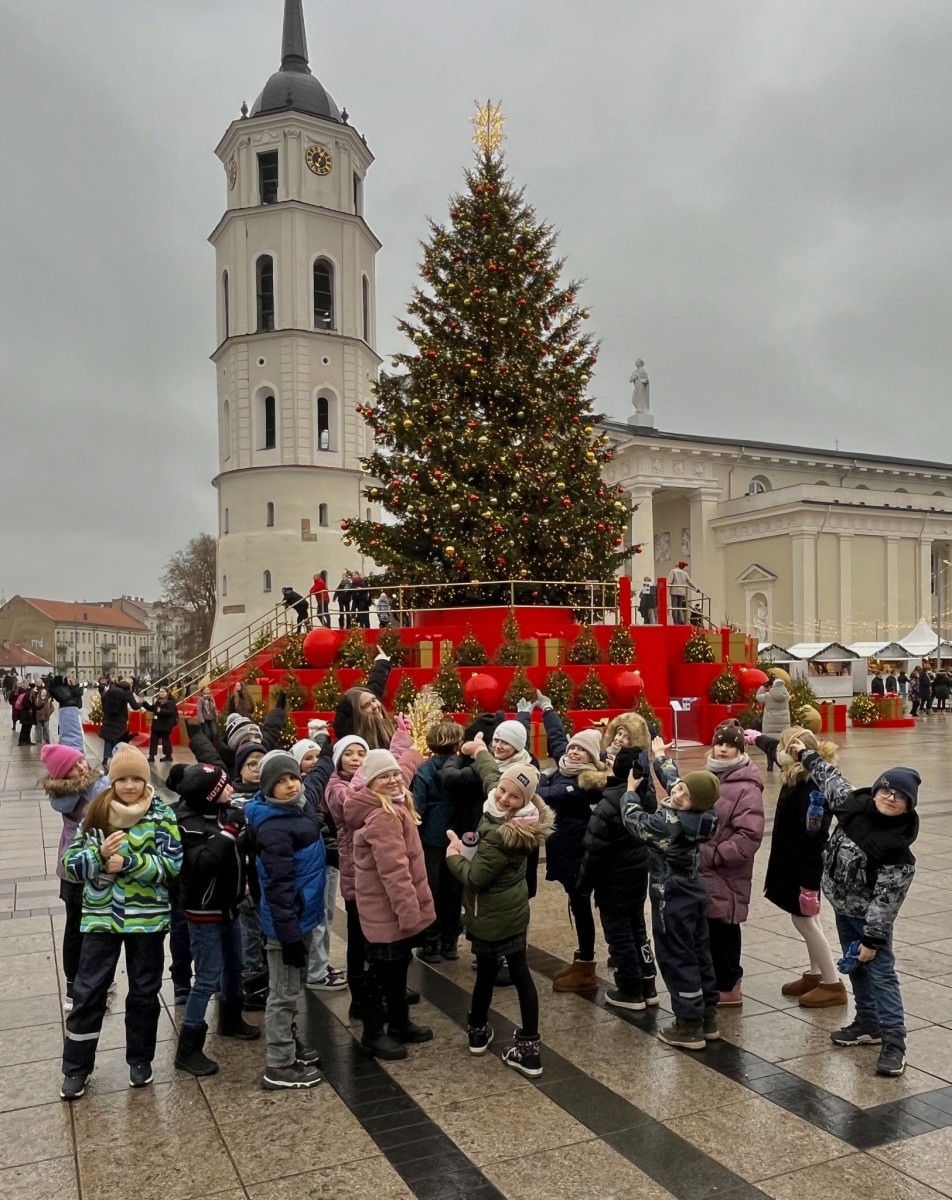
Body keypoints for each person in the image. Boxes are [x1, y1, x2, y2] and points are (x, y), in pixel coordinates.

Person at [787, 738, 920, 1077]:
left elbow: (886, 902)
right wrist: (804, 753)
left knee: (881, 974)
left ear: (908, 806)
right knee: (857, 970)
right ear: (876, 790)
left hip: (869, 920)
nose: (890, 798)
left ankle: (894, 1041)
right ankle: (867, 1023)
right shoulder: (852, 805)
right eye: (886, 790)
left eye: (900, 797)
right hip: (842, 907)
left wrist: (872, 940)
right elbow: (828, 775)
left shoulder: (897, 850)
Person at [59, 744, 182, 1100]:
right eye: (122, 779)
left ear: (145, 781)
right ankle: (76, 1068)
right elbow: (70, 864)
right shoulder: (96, 812)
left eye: (136, 779)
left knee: (144, 991)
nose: (129, 785)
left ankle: (140, 1060)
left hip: (147, 920)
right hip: (102, 920)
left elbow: (172, 865)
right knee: (88, 992)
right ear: (112, 781)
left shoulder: (161, 815)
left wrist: (128, 864)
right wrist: (99, 857)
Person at [447, 762, 554, 1075]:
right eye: (503, 791)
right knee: (516, 973)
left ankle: (486, 1034)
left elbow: (476, 878)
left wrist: (454, 856)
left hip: (491, 914)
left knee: (491, 973)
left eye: (514, 796)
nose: (504, 797)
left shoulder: (502, 835)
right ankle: (520, 1044)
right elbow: (492, 777)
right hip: (512, 912)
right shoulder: (516, 816)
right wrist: (479, 751)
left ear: (525, 801)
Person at [622, 740, 721, 1050]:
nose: (677, 794)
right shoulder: (703, 815)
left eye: (685, 795)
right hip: (693, 888)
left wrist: (629, 792)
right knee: (699, 951)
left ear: (696, 803)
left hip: (671, 894)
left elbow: (634, 821)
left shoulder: (669, 824)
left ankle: (688, 1025)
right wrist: (661, 757)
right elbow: (677, 782)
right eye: (680, 789)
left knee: (676, 955)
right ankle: (707, 1016)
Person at [746, 726, 846, 1008]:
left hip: (803, 866)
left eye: (785, 748)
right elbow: (773, 747)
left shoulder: (813, 787)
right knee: (808, 920)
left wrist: (809, 886)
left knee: (804, 921)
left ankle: (832, 984)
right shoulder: (797, 769)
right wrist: (754, 738)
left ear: (797, 752)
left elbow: (814, 840)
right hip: (790, 861)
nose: (779, 753)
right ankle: (815, 975)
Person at [343, 748, 433, 1060]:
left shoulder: (394, 805)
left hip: (392, 908)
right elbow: (394, 871)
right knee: (381, 974)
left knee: (397, 968)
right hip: (389, 911)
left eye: (395, 773)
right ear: (370, 783)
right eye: (384, 776)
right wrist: (409, 912)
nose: (394, 779)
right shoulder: (383, 816)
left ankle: (398, 1022)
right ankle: (373, 1033)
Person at [245, 751, 326, 1090]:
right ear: (267, 788)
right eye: (280, 781)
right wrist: (289, 936)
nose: (290, 784)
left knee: (292, 988)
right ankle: (279, 1063)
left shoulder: (297, 808)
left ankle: (289, 1043)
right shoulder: (275, 827)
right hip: (285, 924)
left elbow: (319, 775)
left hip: (300, 916)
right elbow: (278, 888)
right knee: (282, 993)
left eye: (292, 777)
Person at [174, 764, 260, 1076]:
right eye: (224, 787)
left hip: (229, 906)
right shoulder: (187, 824)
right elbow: (204, 864)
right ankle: (189, 1047)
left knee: (235, 966)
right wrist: (230, 832)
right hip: (203, 911)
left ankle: (231, 1019)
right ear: (209, 795)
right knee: (208, 977)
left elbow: (238, 851)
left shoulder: (223, 813)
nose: (231, 789)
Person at [526, 695, 608, 994]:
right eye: (574, 747)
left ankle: (586, 966)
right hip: (563, 852)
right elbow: (558, 737)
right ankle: (581, 960)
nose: (573, 752)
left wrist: (537, 780)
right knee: (576, 904)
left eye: (581, 751)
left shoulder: (583, 783)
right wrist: (547, 709)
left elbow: (548, 794)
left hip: (577, 855)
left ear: (591, 759)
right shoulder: (565, 765)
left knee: (581, 905)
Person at [41, 679, 111, 1011]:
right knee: (81, 929)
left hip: (74, 866)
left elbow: (71, 748)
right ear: (65, 774)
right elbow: (106, 798)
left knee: (82, 926)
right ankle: (77, 987)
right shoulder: (80, 790)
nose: (83, 765)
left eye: (82, 762)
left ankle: (85, 981)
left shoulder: (72, 780)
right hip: (81, 867)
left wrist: (68, 707)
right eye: (76, 766)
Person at [578, 744, 658, 1010]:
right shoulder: (646, 798)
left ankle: (630, 989)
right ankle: (648, 983)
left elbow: (594, 852)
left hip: (613, 884)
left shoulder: (607, 806)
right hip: (637, 878)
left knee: (620, 935)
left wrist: (583, 886)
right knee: (638, 930)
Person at [699, 723, 765, 1006]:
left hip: (727, 871)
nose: (723, 749)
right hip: (705, 869)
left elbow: (749, 834)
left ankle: (728, 985)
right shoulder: (709, 777)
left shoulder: (746, 787)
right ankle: (713, 980)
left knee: (725, 925)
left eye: (730, 745)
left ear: (740, 750)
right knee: (709, 926)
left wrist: (715, 854)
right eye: (720, 744)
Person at [291, 738, 347, 994]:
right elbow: (318, 824)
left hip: (328, 858)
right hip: (317, 862)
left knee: (328, 914)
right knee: (318, 917)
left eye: (317, 757)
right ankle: (316, 971)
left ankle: (321, 963)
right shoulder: (302, 792)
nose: (313, 762)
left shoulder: (328, 784)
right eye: (307, 758)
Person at [411, 720, 465, 963]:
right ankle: (450, 942)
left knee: (431, 890)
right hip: (459, 836)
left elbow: (417, 808)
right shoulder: (464, 768)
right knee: (455, 889)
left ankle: (431, 944)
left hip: (431, 838)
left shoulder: (424, 771)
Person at [333, 648, 394, 748]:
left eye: (374, 700)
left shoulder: (367, 698)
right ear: (356, 715)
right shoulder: (351, 744)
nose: (374, 706)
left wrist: (382, 662)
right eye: (366, 705)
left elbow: (376, 684)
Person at [100, 678, 142, 768]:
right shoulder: (127, 693)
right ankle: (118, 758)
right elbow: (135, 706)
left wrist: (105, 709)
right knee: (119, 739)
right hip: (120, 720)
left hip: (108, 718)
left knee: (108, 739)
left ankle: (105, 759)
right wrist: (141, 703)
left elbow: (102, 698)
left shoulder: (110, 691)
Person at [754, 678, 791, 772]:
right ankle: (781, 764)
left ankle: (770, 766)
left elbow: (757, 697)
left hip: (769, 726)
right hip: (783, 726)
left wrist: (764, 686)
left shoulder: (767, 696)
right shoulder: (786, 696)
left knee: (769, 745)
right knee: (782, 747)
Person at [142, 686, 179, 763]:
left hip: (166, 724)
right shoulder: (158, 701)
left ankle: (168, 756)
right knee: (153, 739)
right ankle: (152, 756)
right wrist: (144, 703)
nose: (161, 693)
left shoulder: (170, 701)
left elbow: (170, 711)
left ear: (167, 692)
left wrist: (160, 710)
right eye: (160, 691)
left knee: (165, 740)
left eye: (163, 692)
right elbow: (152, 708)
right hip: (157, 723)